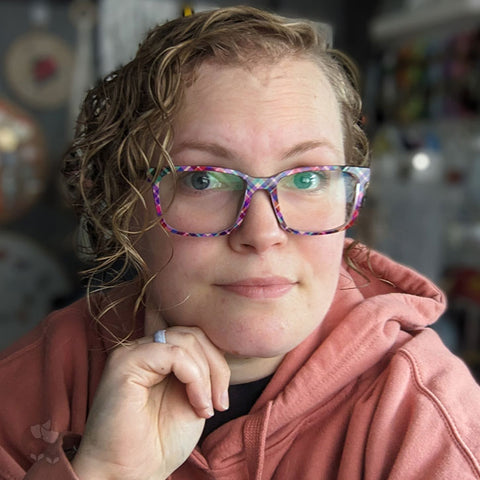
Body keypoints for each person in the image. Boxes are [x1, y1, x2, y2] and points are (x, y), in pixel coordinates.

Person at [1, 5, 479, 479]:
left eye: (308, 178)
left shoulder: (423, 416)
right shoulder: (28, 388)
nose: (263, 233)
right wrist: (104, 474)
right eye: (204, 180)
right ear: (126, 208)